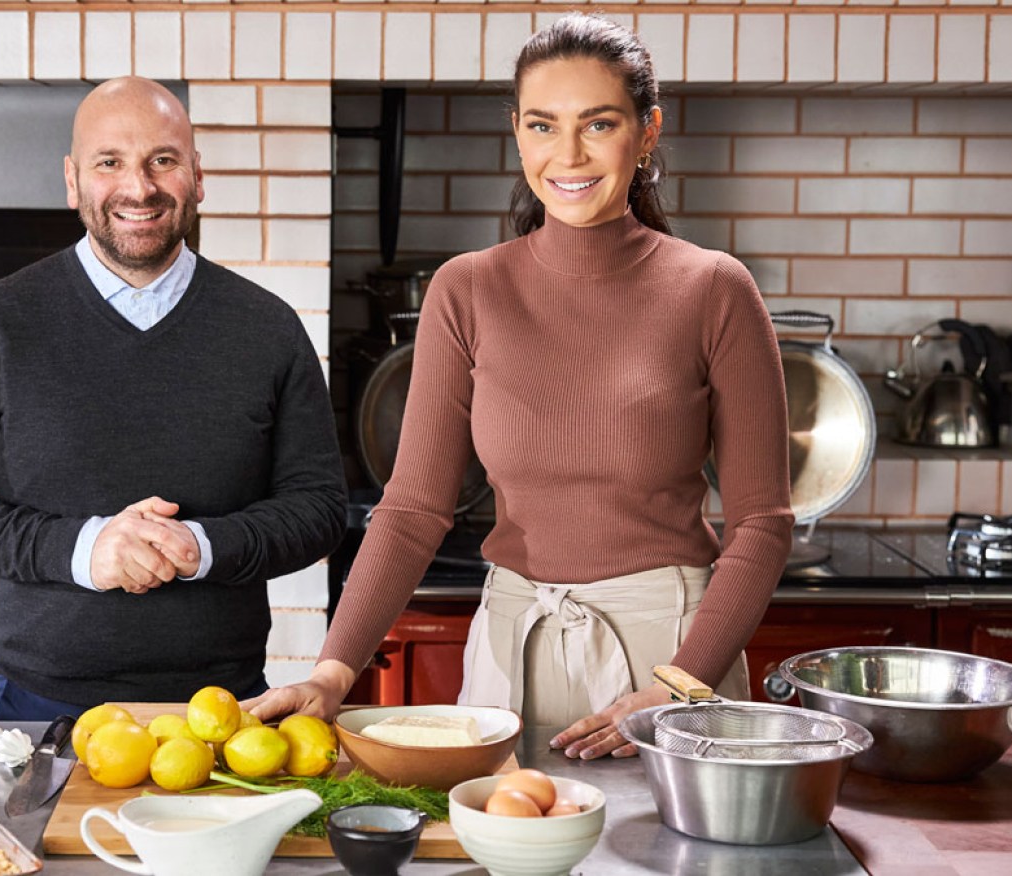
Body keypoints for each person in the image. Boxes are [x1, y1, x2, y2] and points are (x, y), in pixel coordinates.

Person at [247, 14, 793, 759]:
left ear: (647, 130)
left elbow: (761, 522)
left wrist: (679, 681)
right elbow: (411, 510)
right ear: (517, 132)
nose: (566, 154)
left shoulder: (712, 289)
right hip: (510, 645)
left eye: (597, 124)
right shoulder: (466, 290)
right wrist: (333, 670)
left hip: (669, 650)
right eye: (542, 125)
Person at [0, 77, 347, 722]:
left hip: (226, 707)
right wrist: (86, 550)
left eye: (162, 161)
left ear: (197, 175)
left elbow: (319, 509)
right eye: (109, 162)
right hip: (36, 704)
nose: (138, 188)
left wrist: (202, 546)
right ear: (72, 180)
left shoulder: (267, 327)